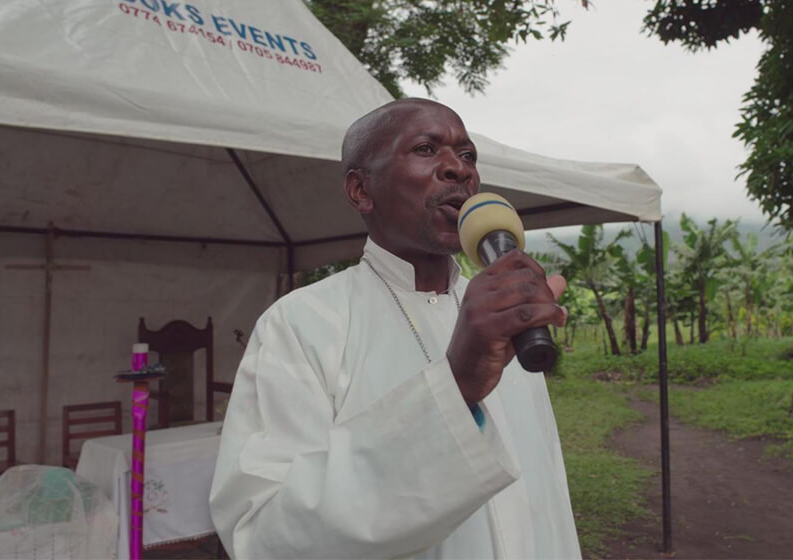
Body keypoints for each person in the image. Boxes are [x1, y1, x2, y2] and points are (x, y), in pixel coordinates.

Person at [209, 98, 581, 559]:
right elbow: (264, 534)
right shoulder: (302, 324)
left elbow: (546, 488)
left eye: (468, 156)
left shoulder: (506, 314)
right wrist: (454, 389)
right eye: (426, 149)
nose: (458, 170)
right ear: (360, 190)